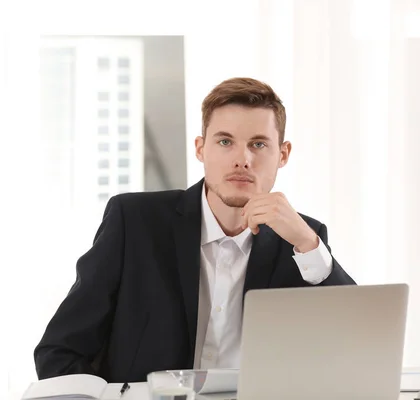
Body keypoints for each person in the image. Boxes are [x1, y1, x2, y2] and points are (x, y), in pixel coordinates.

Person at [34, 77, 356, 383]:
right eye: (225, 141)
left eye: (258, 144)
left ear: (282, 154)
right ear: (201, 148)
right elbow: (59, 353)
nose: (242, 159)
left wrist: (308, 245)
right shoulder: (133, 221)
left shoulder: (303, 239)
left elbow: (357, 352)